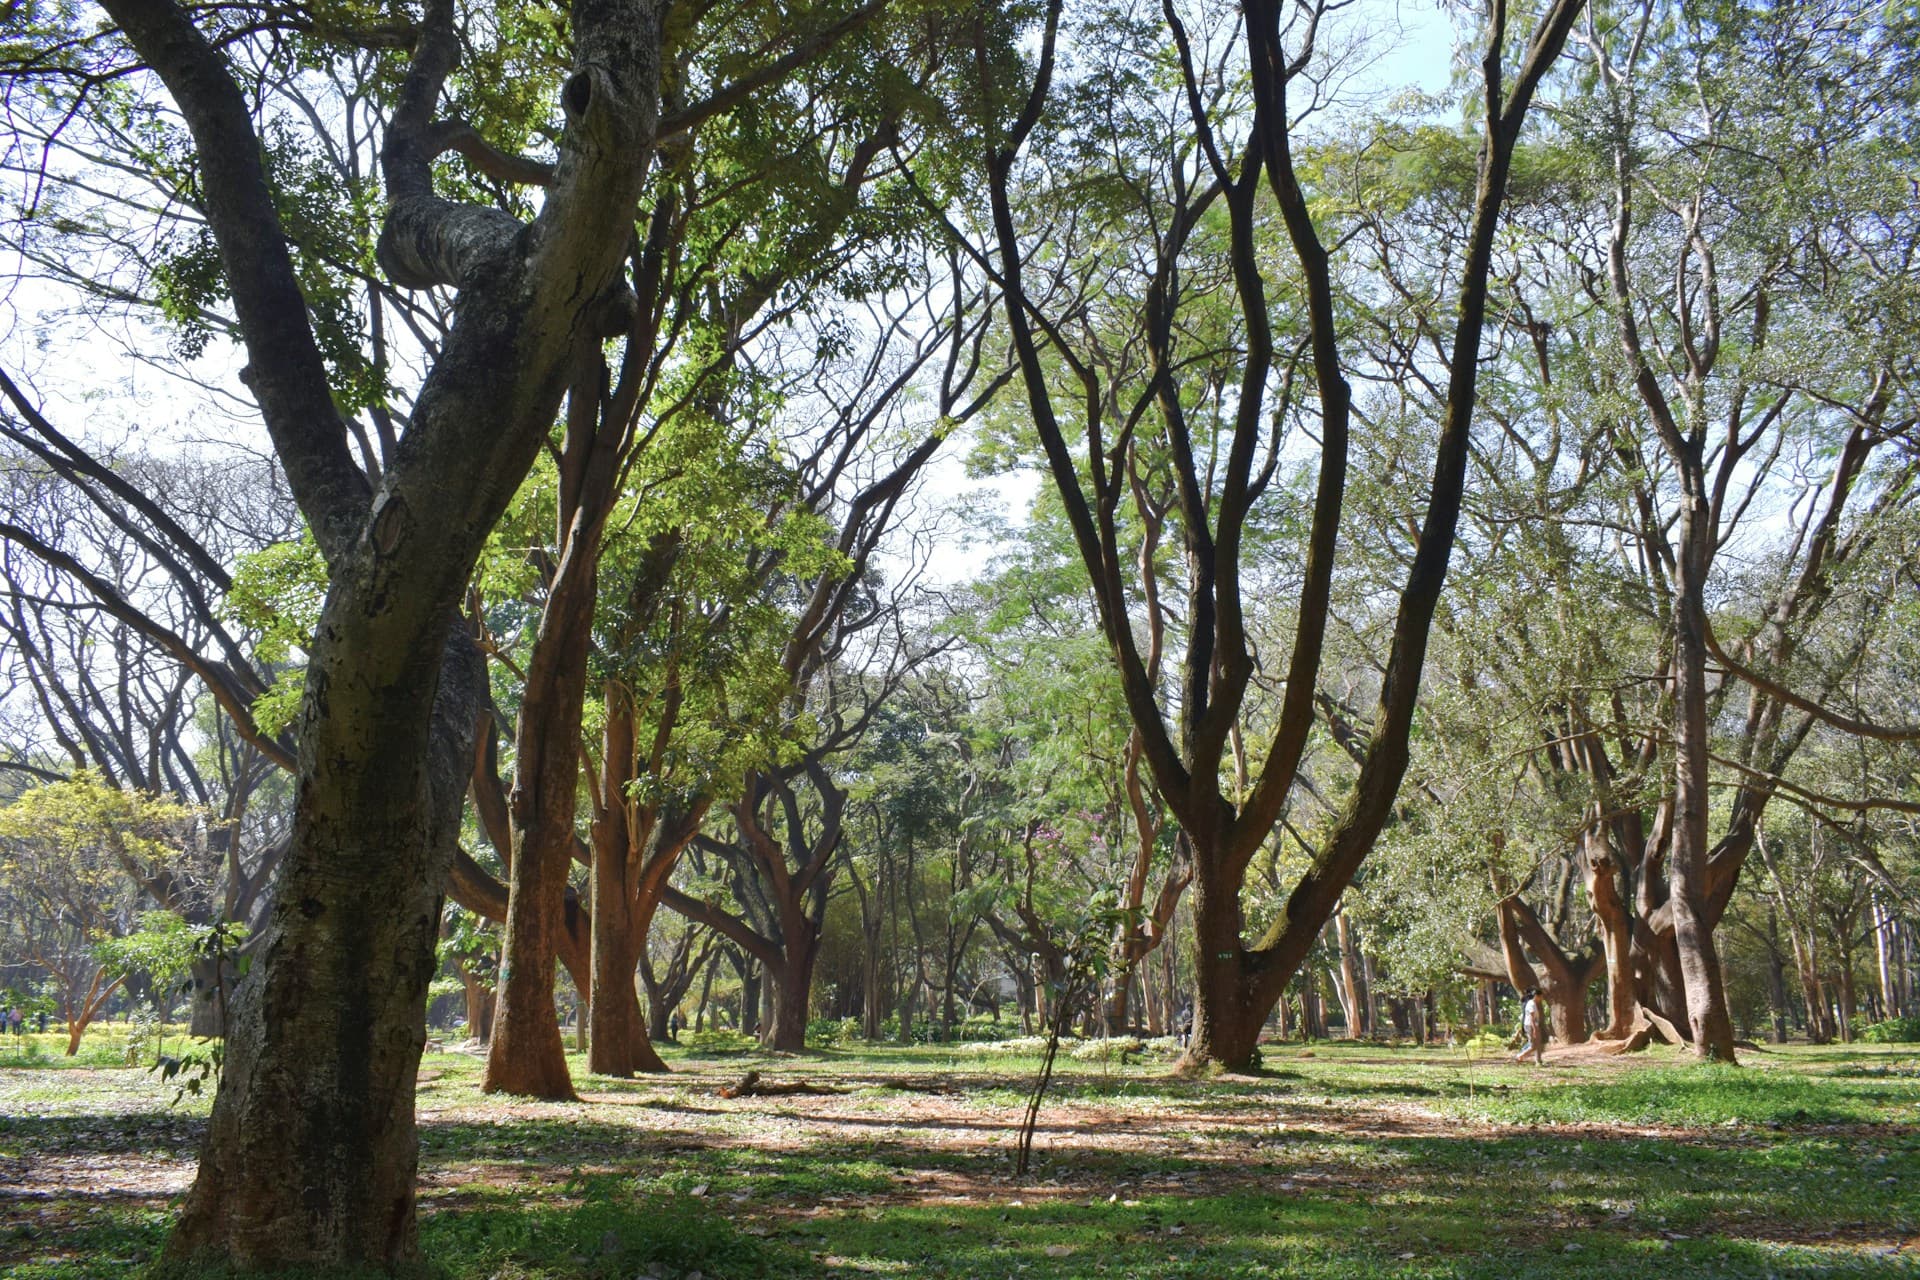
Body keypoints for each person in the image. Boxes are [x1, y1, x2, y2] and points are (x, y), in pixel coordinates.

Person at [1512, 987, 1547, 1066]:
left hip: (1533, 1025)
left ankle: (1538, 1061)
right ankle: (1519, 1056)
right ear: (1537, 996)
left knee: (1537, 1043)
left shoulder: (1533, 1003)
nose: (1541, 998)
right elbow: (1531, 1018)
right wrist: (1534, 1029)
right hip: (1530, 1026)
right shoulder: (1531, 1004)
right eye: (1541, 996)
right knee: (1533, 1045)